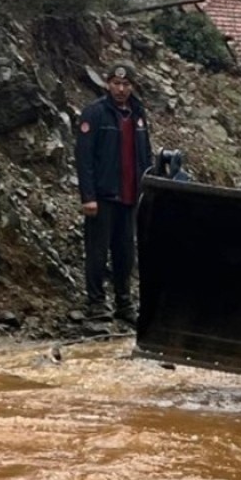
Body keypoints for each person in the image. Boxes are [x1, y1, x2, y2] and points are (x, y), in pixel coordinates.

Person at [74, 62, 153, 325]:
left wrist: (146, 191)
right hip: (104, 196)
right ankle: (96, 303)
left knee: (125, 253)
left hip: (130, 196)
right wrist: (88, 196)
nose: (120, 89)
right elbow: (84, 158)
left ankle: (124, 302)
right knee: (97, 251)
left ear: (132, 86)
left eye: (126, 84)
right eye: (116, 84)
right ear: (107, 84)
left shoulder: (138, 114)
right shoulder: (94, 113)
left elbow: (146, 155)